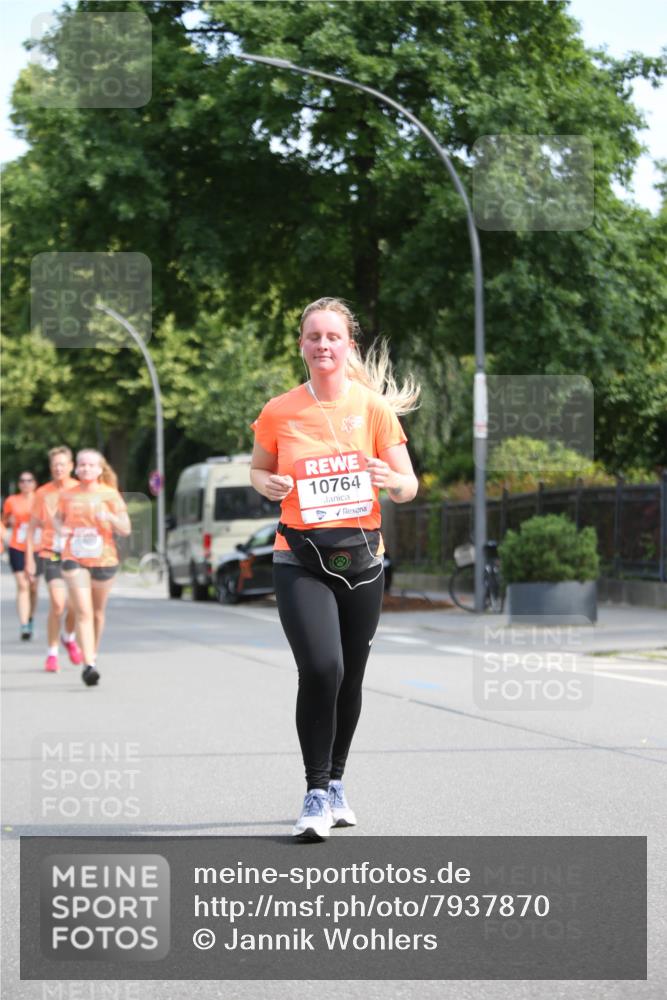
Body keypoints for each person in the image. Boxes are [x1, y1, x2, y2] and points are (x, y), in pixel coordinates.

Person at [250, 297, 419, 841]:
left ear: (349, 346)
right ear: (301, 344)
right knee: (322, 667)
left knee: (351, 676)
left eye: (333, 337)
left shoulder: (372, 409)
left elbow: (409, 485)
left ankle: (339, 782)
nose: (323, 345)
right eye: (313, 336)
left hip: (362, 557)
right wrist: (266, 483)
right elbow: (258, 469)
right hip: (297, 554)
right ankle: (315, 792)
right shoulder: (279, 410)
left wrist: (388, 478)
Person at [55, 449, 131, 687]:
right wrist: (62, 529)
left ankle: (92, 655)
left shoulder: (110, 495)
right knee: (83, 612)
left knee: (97, 613)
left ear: (99, 469)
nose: (86, 468)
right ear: (76, 468)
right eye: (82, 465)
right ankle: (89, 665)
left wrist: (109, 517)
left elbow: (125, 528)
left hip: (104, 558)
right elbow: (57, 518)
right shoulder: (67, 495)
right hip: (74, 557)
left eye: (91, 465)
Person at [25, 446, 83, 673]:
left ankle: (68, 637)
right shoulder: (43, 493)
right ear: (51, 468)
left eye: (63, 464)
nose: (58, 468)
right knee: (58, 604)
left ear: (71, 467)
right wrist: (30, 559)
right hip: (52, 553)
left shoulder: (80, 490)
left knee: (76, 606)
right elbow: (31, 529)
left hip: (77, 554)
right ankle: (51, 654)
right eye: (55, 465)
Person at [2, 471, 40, 640]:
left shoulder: (42, 500)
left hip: (38, 548)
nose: (25, 483)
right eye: (22, 480)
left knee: (33, 586)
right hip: (17, 546)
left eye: (29, 480)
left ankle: (30, 617)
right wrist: (7, 529)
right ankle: (24, 624)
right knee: (22, 585)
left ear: (35, 483)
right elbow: (4, 521)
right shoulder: (12, 501)